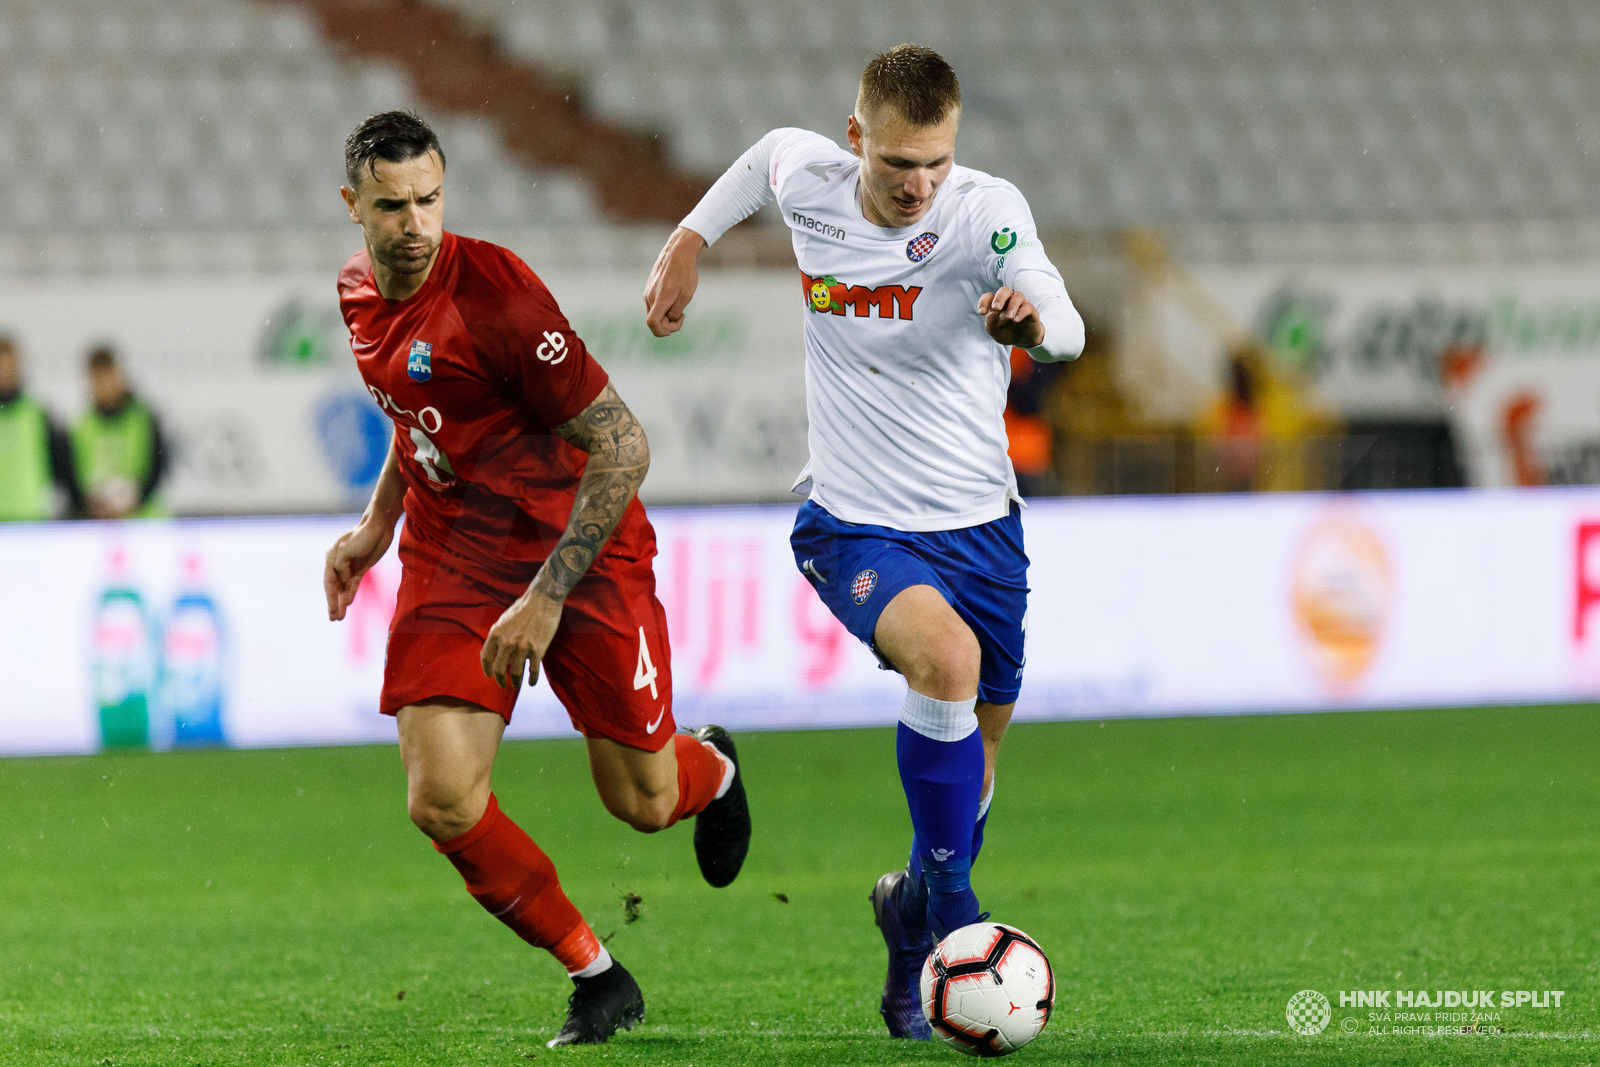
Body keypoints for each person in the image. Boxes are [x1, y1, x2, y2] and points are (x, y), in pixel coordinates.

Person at [643, 45, 1084, 1040]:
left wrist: (1034, 327)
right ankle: (953, 919)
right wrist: (689, 236)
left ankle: (908, 914)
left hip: (983, 527)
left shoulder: (985, 211)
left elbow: (1068, 322)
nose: (917, 185)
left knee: (977, 754)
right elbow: (762, 157)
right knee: (946, 660)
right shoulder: (814, 182)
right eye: (896, 165)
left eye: (934, 161)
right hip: (852, 519)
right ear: (856, 143)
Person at [323, 111, 751, 1048]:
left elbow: (624, 445)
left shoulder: (500, 299)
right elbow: (421, 417)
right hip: (457, 553)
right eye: (391, 205)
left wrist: (548, 594)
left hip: (577, 550)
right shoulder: (358, 293)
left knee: (640, 801)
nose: (414, 224)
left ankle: (711, 770)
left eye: (429, 200)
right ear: (353, 206)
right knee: (441, 796)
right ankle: (598, 974)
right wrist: (377, 522)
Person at [71, 345, 170, 519]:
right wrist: (90, 504)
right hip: (100, 528)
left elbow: (159, 466)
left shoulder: (144, 420)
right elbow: (72, 477)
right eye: (99, 381)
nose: (104, 387)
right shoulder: (80, 426)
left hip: (144, 526)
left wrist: (137, 498)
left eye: (108, 379)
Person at [0, 335, 82, 521]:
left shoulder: (39, 414)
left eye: (10, 366)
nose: (5, 373)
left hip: (31, 521)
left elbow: (63, 466)